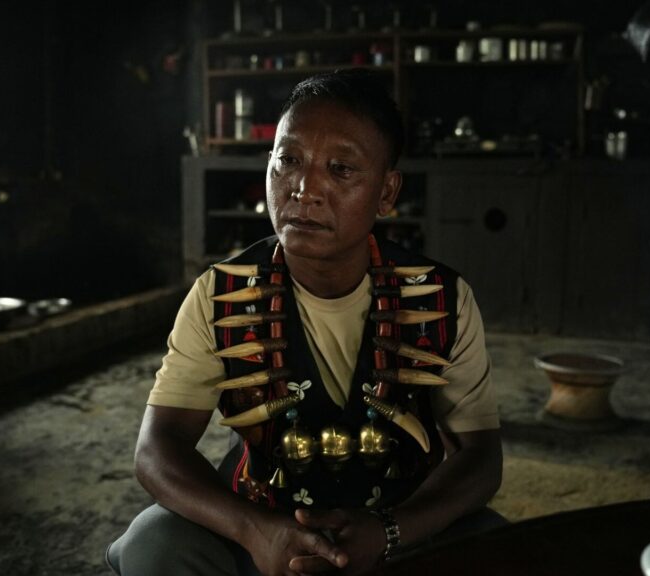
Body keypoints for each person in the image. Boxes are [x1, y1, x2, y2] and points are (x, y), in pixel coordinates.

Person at [107, 69, 503, 576]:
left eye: (340, 169)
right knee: (154, 542)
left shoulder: (440, 299)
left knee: (495, 544)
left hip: (396, 537)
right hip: (263, 540)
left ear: (386, 192)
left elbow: (481, 458)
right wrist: (255, 530)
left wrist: (389, 531)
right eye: (288, 160)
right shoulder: (222, 294)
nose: (304, 188)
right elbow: (156, 450)